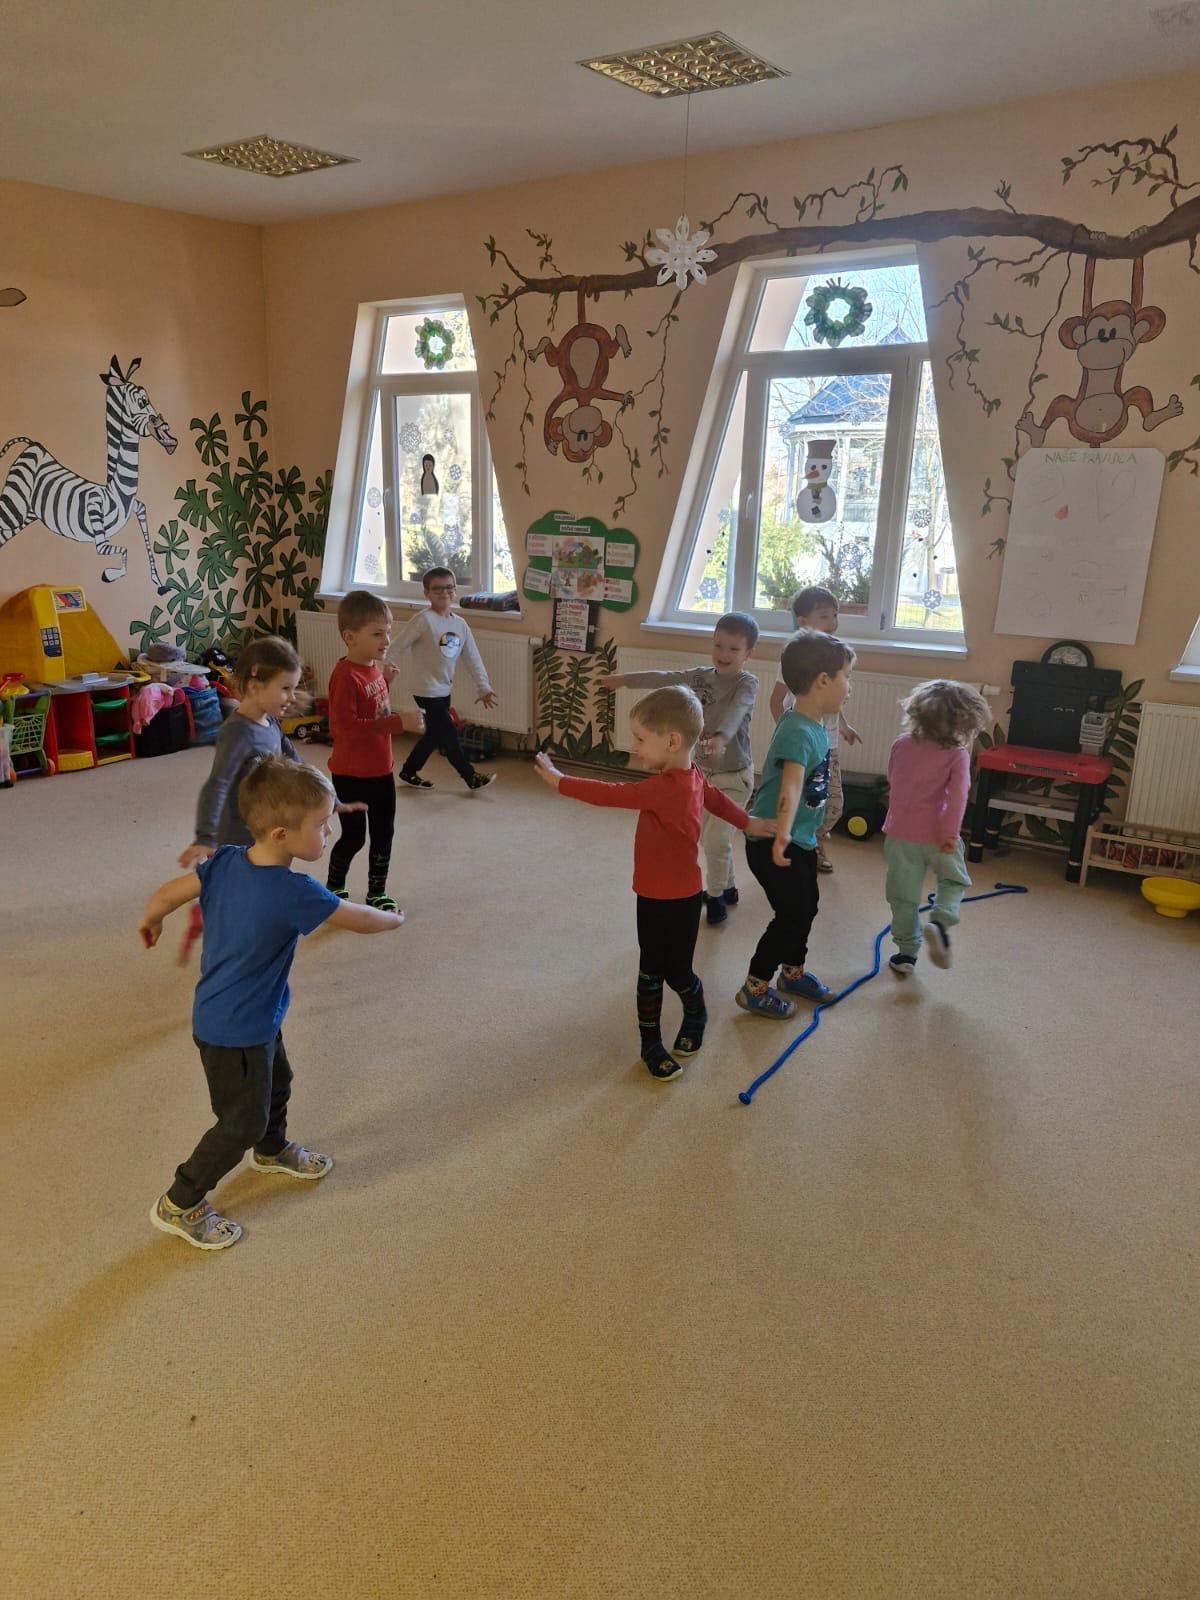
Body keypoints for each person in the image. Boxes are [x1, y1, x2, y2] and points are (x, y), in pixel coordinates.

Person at [142, 758, 403, 1250]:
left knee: (278, 1080)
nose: (329, 831)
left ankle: (271, 1148)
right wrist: (394, 919)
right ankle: (180, 1200)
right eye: (322, 825)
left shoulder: (225, 860)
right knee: (239, 1121)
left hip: (247, 1017)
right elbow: (358, 918)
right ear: (282, 834)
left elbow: (169, 893)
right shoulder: (295, 891)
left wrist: (153, 918)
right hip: (234, 1031)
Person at [534, 686, 774, 1082]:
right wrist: (747, 821)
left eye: (641, 739)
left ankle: (696, 1013)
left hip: (682, 899)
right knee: (650, 972)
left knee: (678, 973)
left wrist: (561, 781)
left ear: (672, 741)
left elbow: (611, 794)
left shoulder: (669, 787)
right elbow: (715, 799)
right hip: (650, 895)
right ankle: (650, 1044)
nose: (634, 747)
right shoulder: (688, 775)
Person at [599, 612, 759, 928]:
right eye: (719, 645)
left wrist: (723, 737)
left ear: (748, 654)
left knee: (716, 840)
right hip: (703, 776)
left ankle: (715, 896)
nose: (724, 654)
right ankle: (728, 887)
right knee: (711, 839)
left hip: (734, 776)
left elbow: (738, 711)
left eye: (733, 649)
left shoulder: (746, 683)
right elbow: (664, 678)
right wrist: (625, 680)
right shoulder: (700, 677)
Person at [739, 630, 855, 1020]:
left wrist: (804, 829)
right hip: (774, 839)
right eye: (846, 677)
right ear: (823, 680)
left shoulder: (813, 724)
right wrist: (785, 831)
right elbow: (790, 785)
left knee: (807, 907)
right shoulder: (798, 731)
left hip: (799, 839)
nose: (849, 687)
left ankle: (793, 973)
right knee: (790, 915)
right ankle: (755, 986)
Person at [883, 679, 989, 978]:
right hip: (939, 833)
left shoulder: (901, 744)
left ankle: (906, 954)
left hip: (900, 832)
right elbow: (958, 797)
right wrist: (950, 834)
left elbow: (893, 778)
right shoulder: (957, 755)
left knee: (903, 896)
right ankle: (940, 922)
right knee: (953, 881)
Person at [326, 589, 409, 913]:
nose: (386, 640)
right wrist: (396, 723)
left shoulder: (373, 666)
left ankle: (377, 892)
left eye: (388, 632)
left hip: (381, 768)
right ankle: (334, 888)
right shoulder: (344, 676)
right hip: (352, 774)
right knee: (354, 837)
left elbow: (371, 709)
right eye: (377, 634)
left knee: (384, 833)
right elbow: (345, 727)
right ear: (350, 637)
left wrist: (385, 683)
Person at [769, 586, 860, 873]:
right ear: (802, 620)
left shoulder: (836, 654)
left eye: (835, 615)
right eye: (824, 616)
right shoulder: (794, 657)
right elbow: (776, 700)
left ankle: (813, 836)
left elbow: (834, 698)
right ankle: (803, 843)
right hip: (806, 744)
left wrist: (843, 726)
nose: (832, 622)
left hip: (829, 745)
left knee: (833, 805)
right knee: (806, 798)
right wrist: (789, 734)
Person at [392, 567, 498, 792]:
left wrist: (483, 687)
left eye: (449, 587)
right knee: (449, 734)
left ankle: (409, 771)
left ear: (455, 590)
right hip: (425, 689)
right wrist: (378, 668)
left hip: (444, 689)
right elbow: (397, 645)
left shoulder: (460, 624)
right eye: (437, 588)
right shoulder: (423, 620)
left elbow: (472, 658)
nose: (444, 592)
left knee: (433, 735)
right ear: (426, 593)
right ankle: (470, 776)